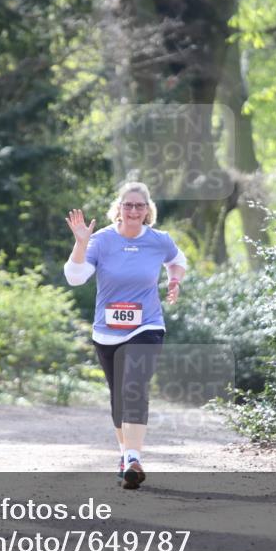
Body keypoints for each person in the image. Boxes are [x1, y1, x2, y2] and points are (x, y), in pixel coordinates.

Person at [64, 182, 187, 489]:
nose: (133, 211)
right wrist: (81, 243)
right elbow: (75, 278)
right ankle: (125, 455)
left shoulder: (159, 240)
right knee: (119, 397)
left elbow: (178, 260)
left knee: (134, 386)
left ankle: (134, 457)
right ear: (118, 208)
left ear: (148, 211)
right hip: (107, 333)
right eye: (128, 205)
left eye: (139, 206)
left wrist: (174, 281)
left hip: (147, 325)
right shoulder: (101, 240)